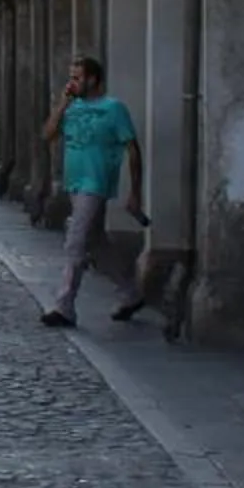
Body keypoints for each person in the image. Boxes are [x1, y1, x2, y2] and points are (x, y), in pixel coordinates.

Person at [40, 56, 146, 328]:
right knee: (97, 244)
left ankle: (64, 306)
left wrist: (135, 191)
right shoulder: (71, 108)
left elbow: (132, 149)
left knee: (76, 240)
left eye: (77, 77)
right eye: (71, 77)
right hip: (74, 182)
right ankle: (130, 293)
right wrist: (63, 103)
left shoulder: (114, 109)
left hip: (96, 182)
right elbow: (48, 134)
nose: (72, 82)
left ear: (93, 80)